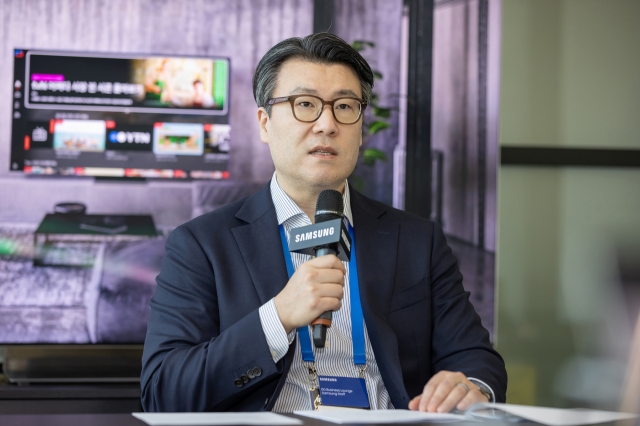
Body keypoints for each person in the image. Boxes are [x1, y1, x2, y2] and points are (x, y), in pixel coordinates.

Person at [141, 33, 507, 413]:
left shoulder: (416, 239)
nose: (327, 124)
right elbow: (164, 390)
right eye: (305, 104)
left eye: (345, 106)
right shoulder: (202, 245)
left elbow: (476, 358)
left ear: (360, 126)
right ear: (265, 123)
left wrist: (471, 386)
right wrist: (278, 316)